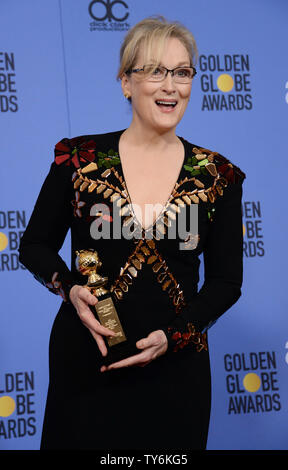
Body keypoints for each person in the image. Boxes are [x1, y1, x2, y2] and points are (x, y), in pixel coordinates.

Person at [18, 16, 245, 450]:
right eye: (154, 71)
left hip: (176, 369)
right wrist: (69, 288)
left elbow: (225, 282)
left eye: (181, 72)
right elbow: (34, 246)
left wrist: (174, 337)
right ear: (126, 82)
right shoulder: (80, 159)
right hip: (88, 359)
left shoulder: (218, 175)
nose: (170, 86)